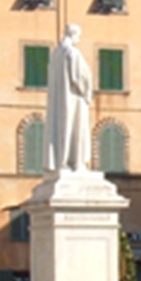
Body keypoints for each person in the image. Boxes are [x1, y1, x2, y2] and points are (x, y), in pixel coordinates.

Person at [46, 23, 94, 171]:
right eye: (78, 36)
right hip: (74, 99)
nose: (79, 39)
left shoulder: (56, 54)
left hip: (60, 101)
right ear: (73, 35)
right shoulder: (72, 53)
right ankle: (76, 163)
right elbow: (77, 77)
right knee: (76, 129)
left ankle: (61, 161)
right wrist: (86, 93)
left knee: (61, 128)